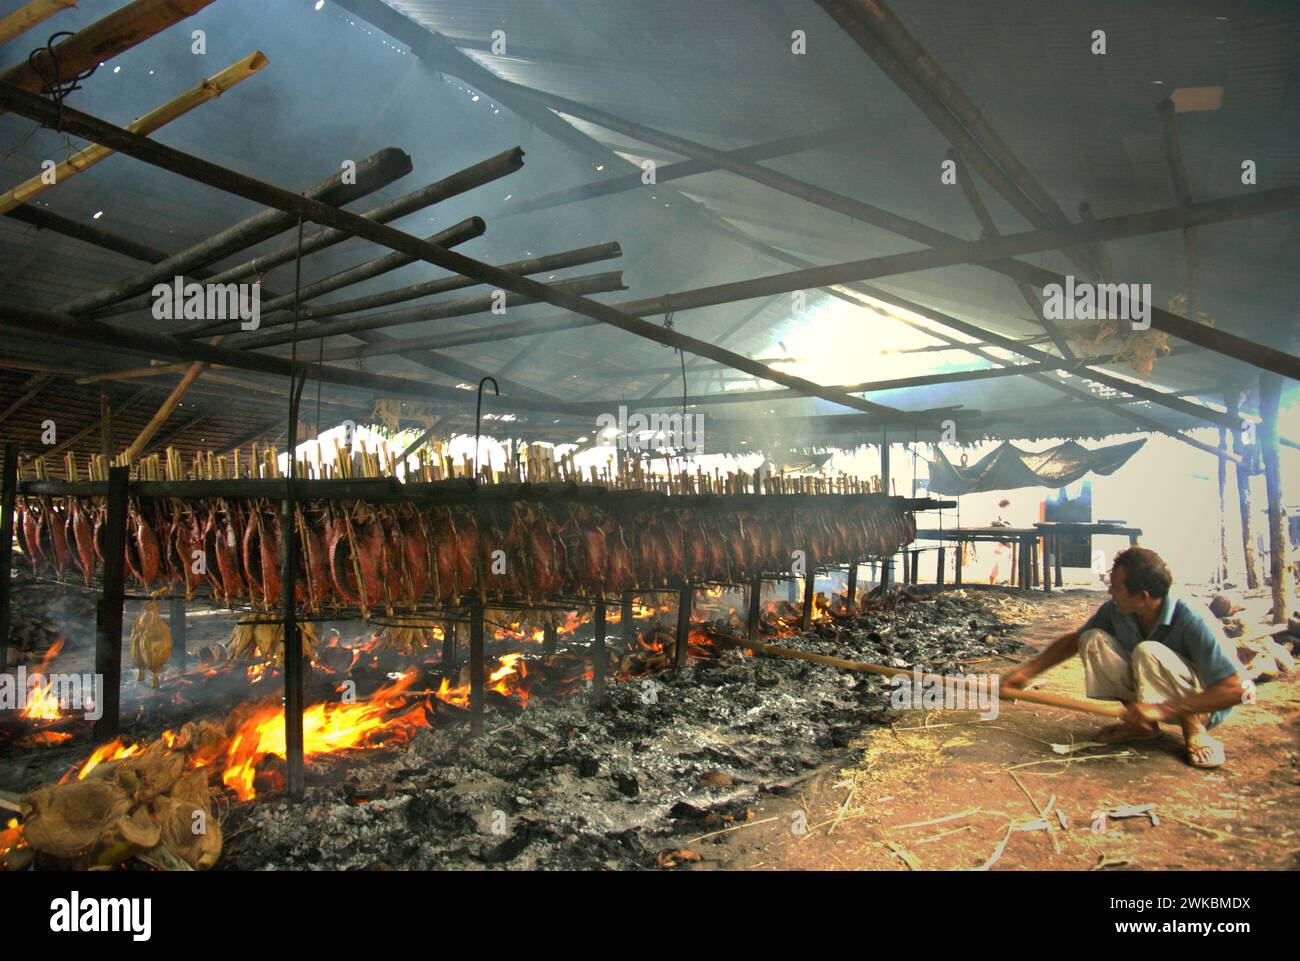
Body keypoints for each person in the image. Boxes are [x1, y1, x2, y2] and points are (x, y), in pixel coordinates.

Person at [1002, 546, 1245, 768]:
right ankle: (1142, 726)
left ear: (1143, 596)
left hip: (1199, 702)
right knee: (1092, 639)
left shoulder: (1192, 618)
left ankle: (1194, 730)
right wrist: (1027, 672)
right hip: (1151, 701)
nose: (1110, 591)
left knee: (1148, 651)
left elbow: (1236, 690)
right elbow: (1075, 640)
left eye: (1116, 587)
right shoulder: (1118, 610)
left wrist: (1164, 709)